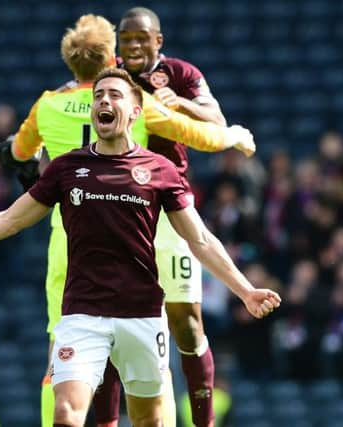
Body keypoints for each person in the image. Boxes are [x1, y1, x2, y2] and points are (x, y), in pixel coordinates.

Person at [0, 68, 281, 427]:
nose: (104, 100)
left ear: (135, 112)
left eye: (114, 95)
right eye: (98, 95)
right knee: (67, 412)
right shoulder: (67, 169)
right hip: (82, 315)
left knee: (149, 419)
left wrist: (244, 290)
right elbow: (8, 219)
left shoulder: (160, 171)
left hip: (142, 315)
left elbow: (199, 239)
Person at [0, 14, 255, 427]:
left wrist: (9, 154)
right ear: (110, 54)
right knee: (151, 348)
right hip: (133, 228)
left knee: (63, 355)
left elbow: (19, 159)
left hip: (73, 237)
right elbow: (203, 135)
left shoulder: (49, 104)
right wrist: (237, 135)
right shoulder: (133, 102)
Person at [115, 7, 228, 426]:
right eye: (126, 41)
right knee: (115, 325)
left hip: (169, 208)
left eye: (142, 39)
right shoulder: (112, 80)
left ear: (157, 41)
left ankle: (204, 422)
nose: (134, 48)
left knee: (186, 322)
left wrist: (180, 103)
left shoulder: (181, 74)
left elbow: (217, 121)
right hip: (119, 207)